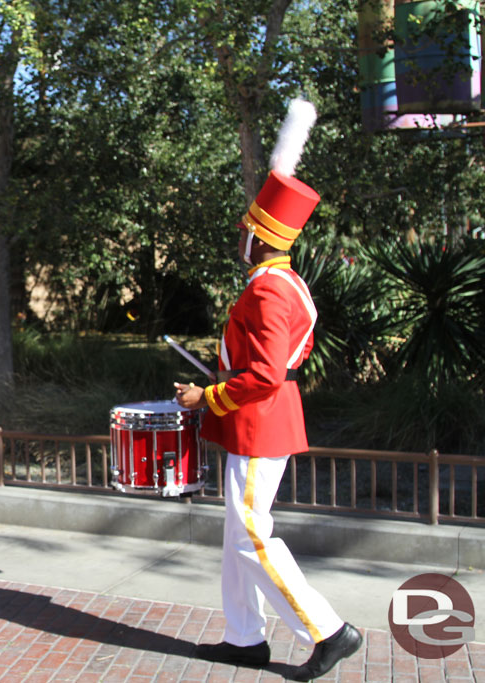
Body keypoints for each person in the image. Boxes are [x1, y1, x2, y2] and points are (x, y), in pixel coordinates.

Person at [174, 100, 361, 681]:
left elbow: (264, 374)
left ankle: (328, 630)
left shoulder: (267, 291)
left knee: (252, 535)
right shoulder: (284, 283)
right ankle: (244, 638)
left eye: (245, 234)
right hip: (259, 417)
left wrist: (206, 397)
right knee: (238, 534)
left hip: (260, 420)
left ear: (259, 238)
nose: (240, 241)